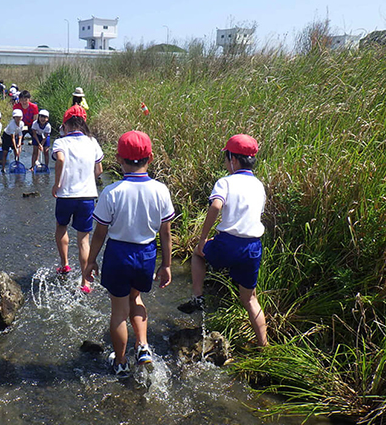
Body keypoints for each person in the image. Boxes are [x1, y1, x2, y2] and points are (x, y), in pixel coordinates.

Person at [84, 130, 174, 379]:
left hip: (118, 253)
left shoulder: (111, 192)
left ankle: (121, 362)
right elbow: (165, 234)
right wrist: (166, 265)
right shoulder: (161, 190)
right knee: (136, 299)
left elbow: (100, 233)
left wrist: (91, 261)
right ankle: (143, 346)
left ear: (119, 159)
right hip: (146, 253)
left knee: (118, 312)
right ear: (151, 158)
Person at [178, 134, 268, 347]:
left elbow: (216, 206)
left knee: (198, 254)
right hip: (253, 247)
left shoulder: (225, 182)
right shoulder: (259, 185)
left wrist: (201, 240)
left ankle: (198, 297)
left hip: (227, 244)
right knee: (250, 299)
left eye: (226, 158)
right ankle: (263, 345)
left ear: (233, 159)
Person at [51, 105, 103, 282]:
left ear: (65, 125)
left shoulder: (60, 142)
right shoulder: (92, 142)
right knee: (83, 240)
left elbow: (60, 159)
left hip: (66, 195)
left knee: (61, 227)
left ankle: (65, 264)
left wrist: (57, 184)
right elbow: (99, 169)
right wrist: (88, 180)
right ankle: (85, 281)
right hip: (87, 196)